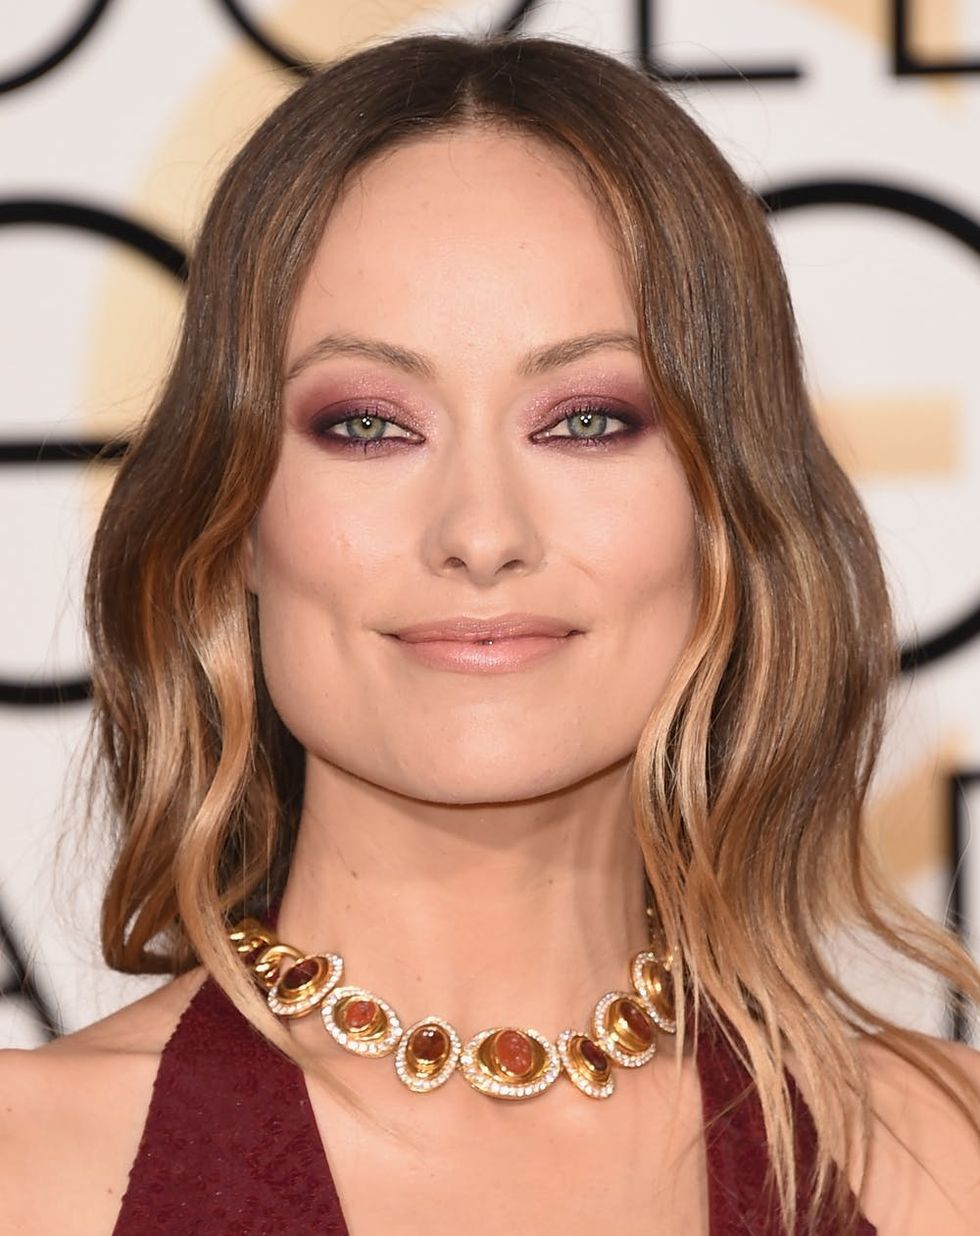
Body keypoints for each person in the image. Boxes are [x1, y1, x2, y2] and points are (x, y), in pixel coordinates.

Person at [1, 29, 978, 1236]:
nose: (478, 531)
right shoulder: (25, 1167)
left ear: (720, 508)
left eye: (583, 420)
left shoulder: (944, 1155)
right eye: (367, 425)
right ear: (237, 517)